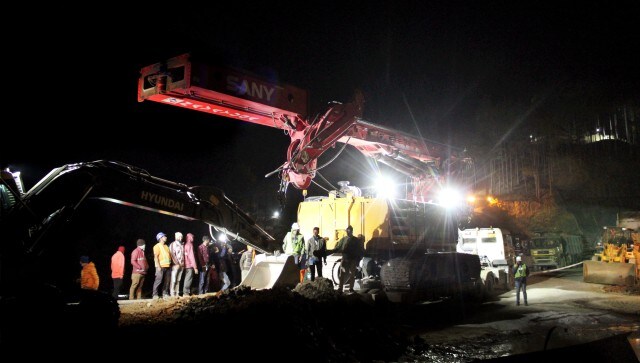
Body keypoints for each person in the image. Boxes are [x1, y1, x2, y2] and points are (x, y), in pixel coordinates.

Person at [332, 225, 364, 293]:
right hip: (345, 259)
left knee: (352, 274)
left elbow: (359, 249)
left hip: (352, 259)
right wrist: (332, 251)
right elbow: (338, 247)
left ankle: (351, 288)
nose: (348, 232)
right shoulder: (343, 239)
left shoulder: (355, 240)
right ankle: (340, 288)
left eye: (349, 231)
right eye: (347, 231)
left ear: (352, 231)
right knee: (342, 274)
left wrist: (358, 258)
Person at [152, 232, 172, 300]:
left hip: (168, 266)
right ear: (160, 238)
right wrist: (158, 266)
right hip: (160, 266)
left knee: (167, 281)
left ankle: (165, 293)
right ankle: (155, 294)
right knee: (158, 280)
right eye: (164, 236)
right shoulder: (156, 246)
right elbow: (156, 257)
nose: (166, 237)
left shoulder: (166, 246)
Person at [169, 232, 185, 297]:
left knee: (178, 280)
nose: (180, 238)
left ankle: (177, 293)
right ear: (176, 237)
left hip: (182, 265)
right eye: (179, 237)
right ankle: (172, 293)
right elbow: (172, 254)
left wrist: (183, 264)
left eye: (181, 237)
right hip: (175, 265)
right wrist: (176, 263)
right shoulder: (173, 244)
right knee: (173, 279)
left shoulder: (182, 245)